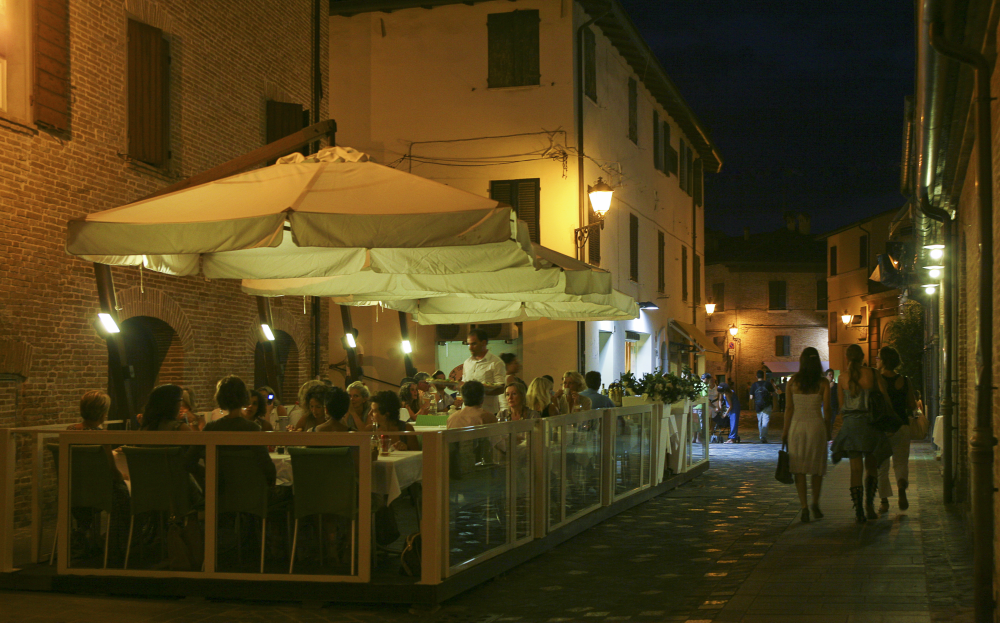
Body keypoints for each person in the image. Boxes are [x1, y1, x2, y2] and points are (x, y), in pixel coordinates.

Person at [830, 343, 894, 523]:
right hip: (871, 424)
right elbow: (885, 397)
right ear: (863, 357)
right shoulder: (873, 374)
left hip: (851, 426)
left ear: (847, 358)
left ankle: (858, 510)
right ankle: (869, 505)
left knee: (855, 469)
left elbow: (842, 407)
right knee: (872, 467)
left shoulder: (842, 378)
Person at [781, 347, 832, 523]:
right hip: (817, 427)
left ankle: (803, 507)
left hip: (797, 427)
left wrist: (785, 432)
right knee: (817, 469)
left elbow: (788, 409)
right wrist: (829, 430)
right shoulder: (823, 383)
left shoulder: (793, 382)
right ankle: (815, 503)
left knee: (799, 469)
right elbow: (828, 410)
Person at [200, 375, 276, 486]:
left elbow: (189, 462)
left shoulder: (210, 428)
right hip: (247, 490)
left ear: (219, 398)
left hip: (217, 493)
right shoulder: (252, 428)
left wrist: (211, 477)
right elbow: (267, 465)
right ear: (244, 397)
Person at [876, 346, 917, 514]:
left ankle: (884, 502)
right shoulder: (905, 380)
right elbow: (912, 404)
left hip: (882, 428)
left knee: (882, 467)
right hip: (901, 426)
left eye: (878, 358)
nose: (876, 360)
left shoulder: (877, 380)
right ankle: (901, 488)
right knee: (901, 462)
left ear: (884, 361)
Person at [461, 329, 507, 414]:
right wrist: (455, 387)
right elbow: (464, 384)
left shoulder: (496, 362)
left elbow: (500, 389)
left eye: (474, 344)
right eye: (469, 344)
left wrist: (479, 393)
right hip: (467, 411)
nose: (470, 347)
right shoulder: (467, 363)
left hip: (487, 411)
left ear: (484, 343)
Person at [749, 371, 776, 443]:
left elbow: (751, 397)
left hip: (758, 406)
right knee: (765, 421)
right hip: (767, 404)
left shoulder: (754, 385)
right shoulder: (768, 384)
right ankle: (763, 437)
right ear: (764, 376)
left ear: (756, 377)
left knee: (760, 421)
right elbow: (773, 393)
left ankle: (761, 436)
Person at [700, 373, 719, 444]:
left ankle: (712, 430)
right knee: (707, 418)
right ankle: (707, 431)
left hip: (715, 402)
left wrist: (718, 406)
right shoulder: (706, 387)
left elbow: (720, 397)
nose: (711, 381)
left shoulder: (717, 388)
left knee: (714, 418)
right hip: (708, 403)